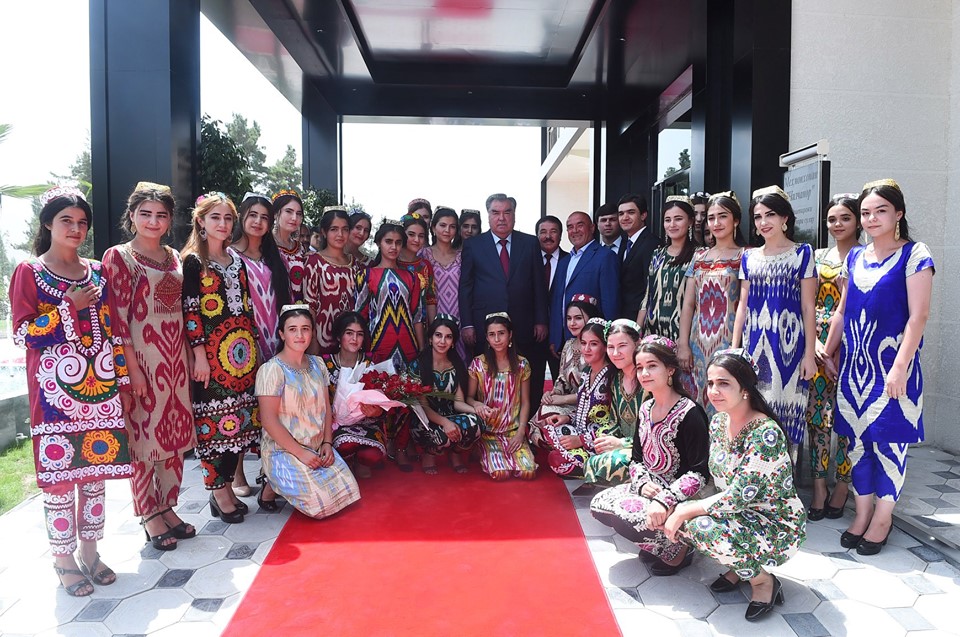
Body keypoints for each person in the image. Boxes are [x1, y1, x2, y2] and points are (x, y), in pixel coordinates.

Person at [11, 185, 133, 596]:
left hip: (101, 392)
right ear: (48, 223)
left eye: (82, 222)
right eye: (67, 220)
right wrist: (69, 308)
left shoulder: (96, 271)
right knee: (61, 480)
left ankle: (90, 551)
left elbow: (112, 331)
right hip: (53, 398)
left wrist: (122, 382)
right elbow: (23, 333)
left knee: (95, 477)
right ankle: (62, 559)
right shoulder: (29, 272)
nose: (76, 229)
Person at [824, 179, 934, 556]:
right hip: (854, 371)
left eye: (880, 211)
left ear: (898, 213)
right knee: (856, 445)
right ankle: (862, 514)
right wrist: (828, 351)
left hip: (893, 370)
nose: (871, 218)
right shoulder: (855, 257)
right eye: (866, 212)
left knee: (889, 444)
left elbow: (918, 317)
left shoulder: (915, 255)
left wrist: (900, 367)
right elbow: (842, 311)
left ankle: (883, 519)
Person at [663, 349, 805, 622]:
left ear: (745, 389)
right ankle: (741, 566)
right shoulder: (719, 422)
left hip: (776, 524)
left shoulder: (765, 433)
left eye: (724, 383)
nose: (713, 391)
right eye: (711, 383)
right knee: (683, 518)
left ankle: (762, 581)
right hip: (739, 513)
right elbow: (716, 480)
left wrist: (687, 509)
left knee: (700, 526)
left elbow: (739, 496)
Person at [102, 182, 195, 551]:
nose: (153, 221)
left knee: (173, 434)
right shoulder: (119, 257)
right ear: (132, 216)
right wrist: (131, 370)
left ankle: (168, 505)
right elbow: (118, 318)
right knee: (143, 437)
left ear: (170, 220)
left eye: (161, 215)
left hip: (175, 359)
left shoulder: (175, 257)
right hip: (142, 358)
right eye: (145, 214)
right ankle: (148, 512)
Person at [589, 335, 709, 575]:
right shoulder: (646, 408)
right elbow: (637, 459)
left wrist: (665, 499)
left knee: (629, 514)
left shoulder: (690, 413)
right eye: (640, 367)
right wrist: (643, 484)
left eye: (652, 366)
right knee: (600, 505)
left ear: (670, 369)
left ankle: (679, 548)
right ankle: (661, 544)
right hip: (650, 487)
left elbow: (700, 473)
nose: (644, 373)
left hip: (680, 498)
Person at [181, 192, 261, 524]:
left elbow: (247, 307)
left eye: (228, 218)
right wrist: (199, 355)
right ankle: (217, 491)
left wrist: (254, 351)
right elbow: (191, 312)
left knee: (239, 423)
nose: (223, 224)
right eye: (215, 217)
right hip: (212, 358)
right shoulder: (193, 262)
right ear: (200, 221)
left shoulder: (237, 260)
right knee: (212, 426)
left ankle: (226, 485)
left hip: (243, 355)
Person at [255, 305, 361, 519]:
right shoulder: (271, 369)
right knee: (321, 505)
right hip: (284, 449)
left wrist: (327, 443)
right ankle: (271, 482)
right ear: (282, 334)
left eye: (305, 329)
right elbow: (268, 420)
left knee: (348, 492)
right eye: (292, 329)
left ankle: (281, 483)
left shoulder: (317, 364)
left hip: (316, 446)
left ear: (312, 332)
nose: (300, 335)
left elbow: (327, 408)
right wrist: (301, 453)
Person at [732, 186, 816, 451]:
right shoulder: (748, 257)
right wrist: (734, 350)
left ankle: (784, 474)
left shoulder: (803, 253)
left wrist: (810, 355)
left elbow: (808, 307)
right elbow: (742, 306)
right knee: (754, 410)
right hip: (753, 347)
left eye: (770, 214)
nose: (763, 222)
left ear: (784, 218)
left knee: (786, 414)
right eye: (758, 217)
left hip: (789, 349)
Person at [459, 193, 549, 409]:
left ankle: (527, 421)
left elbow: (539, 284)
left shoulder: (530, 243)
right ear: (488, 215)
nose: (501, 218)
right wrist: (468, 324)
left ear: (514, 215)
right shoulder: (474, 245)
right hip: (484, 326)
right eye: (495, 212)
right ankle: (487, 419)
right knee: (487, 379)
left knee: (525, 377)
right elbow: (466, 287)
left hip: (523, 324)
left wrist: (541, 319)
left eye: (507, 212)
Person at [232, 193, 292, 499]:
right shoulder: (229, 255)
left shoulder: (273, 257)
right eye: (252, 215)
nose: (258, 222)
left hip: (273, 340)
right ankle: (237, 472)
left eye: (264, 217)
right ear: (242, 217)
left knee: (272, 407)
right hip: (241, 344)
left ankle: (270, 472)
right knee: (242, 407)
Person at [805, 194, 859, 521]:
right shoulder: (816, 256)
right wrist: (813, 343)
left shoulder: (865, 256)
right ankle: (818, 487)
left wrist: (835, 348)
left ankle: (842, 485)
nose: (837, 224)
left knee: (846, 420)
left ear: (857, 221)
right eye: (832, 219)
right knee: (817, 419)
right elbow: (806, 302)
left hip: (850, 347)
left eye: (845, 218)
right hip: (817, 346)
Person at [356, 220, 424, 470]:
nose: (393, 247)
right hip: (379, 346)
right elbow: (360, 314)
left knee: (406, 398)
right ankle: (382, 446)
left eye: (398, 242)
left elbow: (417, 316)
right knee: (381, 397)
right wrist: (362, 349)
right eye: (388, 242)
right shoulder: (367, 275)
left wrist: (421, 350)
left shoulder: (413, 278)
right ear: (378, 243)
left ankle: (401, 447)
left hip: (407, 347)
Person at [677, 192, 745, 412]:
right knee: (697, 398)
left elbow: (745, 303)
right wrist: (683, 343)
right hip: (697, 342)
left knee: (726, 397)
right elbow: (689, 304)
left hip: (728, 339)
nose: (716, 223)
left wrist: (736, 347)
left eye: (722, 216)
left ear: (736, 220)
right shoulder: (699, 257)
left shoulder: (745, 255)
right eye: (711, 217)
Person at [467, 313, 537, 480]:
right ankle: (481, 449)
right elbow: (468, 398)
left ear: (510, 334)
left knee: (528, 472)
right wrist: (477, 405)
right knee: (500, 474)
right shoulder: (478, 364)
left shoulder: (522, 364)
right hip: (487, 431)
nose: (497, 339)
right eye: (492, 334)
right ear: (486, 338)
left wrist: (521, 432)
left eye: (501, 333)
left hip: (513, 431)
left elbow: (526, 402)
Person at [409, 315, 482, 474]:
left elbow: (458, 403)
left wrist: (478, 410)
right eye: (438, 335)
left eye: (448, 337)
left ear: (453, 342)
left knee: (478, 423)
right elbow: (423, 408)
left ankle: (456, 453)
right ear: (430, 339)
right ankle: (429, 454)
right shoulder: (418, 365)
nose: (442, 341)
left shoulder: (456, 365)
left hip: (451, 416)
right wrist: (445, 423)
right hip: (425, 422)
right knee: (440, 435)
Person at [640, 197, 697, 397]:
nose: (672, 224)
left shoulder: (699, 255)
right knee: (655, 389)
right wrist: (637, 332)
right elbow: (648, 295)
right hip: (654, 332)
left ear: (690, 221)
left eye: (678, 219)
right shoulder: (657, 253)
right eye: (667, 219)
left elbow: (693, 302)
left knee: (681, 389)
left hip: (682, 334)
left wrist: (684, 343)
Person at [541, 319, 614, 477]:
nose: (586, 349)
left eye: (593, 344)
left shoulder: (612, 378)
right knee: (549, 426)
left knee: (558, 461)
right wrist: (567, 418)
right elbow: (585, 408)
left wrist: (581, 440)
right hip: (580, 432)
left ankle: (593, 466)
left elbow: (615, 425)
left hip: (600, 441)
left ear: (605, 346)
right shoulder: (587, 372)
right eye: (583, 343)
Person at [527, 295, 599, 448]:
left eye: (578, 318)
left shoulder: (596, 348)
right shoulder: (568, 345)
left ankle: (567, 446)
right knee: (544, 412)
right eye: (569, 318)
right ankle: (555, 445)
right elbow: (562, 380)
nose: (572, 323)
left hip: (590, 409)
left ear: (590, 318)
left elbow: (593, 394)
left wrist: (562, 399)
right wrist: (552, 394)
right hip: (568, 404)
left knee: (548, 419)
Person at [323, 312, 386, 480]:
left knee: (372, 455)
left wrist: (377, 411)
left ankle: (360, 462)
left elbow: (384, 400)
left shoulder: (371, 362)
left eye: (359, 334)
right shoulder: (325, 364)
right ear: (339, 336)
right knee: (345, 445)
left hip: (368, 423)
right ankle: (346, 461)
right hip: (336, 426)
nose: (354, 339)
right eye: (349, 333)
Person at [549, 210, 620, 354]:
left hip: (592, 343)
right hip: (563, 344)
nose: (575, 230)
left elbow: (611, 303)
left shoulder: (605, 256)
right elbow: (557, 301)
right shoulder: (564, 261)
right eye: (570, 227)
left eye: (580, 225)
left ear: (592, 228)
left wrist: (608, 340)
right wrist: (554, 338)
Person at [583, 320, 645, 485]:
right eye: (611, 347)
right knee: (593, 458)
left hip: (647, 450)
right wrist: (604, 437)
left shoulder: (647, 380)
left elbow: (654, 432)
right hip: (622, 446)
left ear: (638, 343)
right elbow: (613, 420)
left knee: (611, 462)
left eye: (622, 346)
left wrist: (621, 443)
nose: (616, 353)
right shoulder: (616, 379)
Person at [304, 206, 361, 355]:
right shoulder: (314, 261)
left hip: (351, 340)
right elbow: (310, 306)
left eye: (345, 229)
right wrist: (312, 340)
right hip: (322, 338)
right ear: (324, 232)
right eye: (334, 229)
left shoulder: (355, 264)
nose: (340, 234)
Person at [422, 207, 465, 358]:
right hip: (432, 316)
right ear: (433, 228)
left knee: (459, 361)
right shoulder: (423, 255)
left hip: (459, 316)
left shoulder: (463, 256)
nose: (447, 230)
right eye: (443, 225)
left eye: (452, 226)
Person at [618, 194, 661, 322]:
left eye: (631, 212)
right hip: (624, 317)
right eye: (621, 214)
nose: (625, 217)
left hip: (640, 320)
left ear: (643, 215)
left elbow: (650, 288)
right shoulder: (624, 243)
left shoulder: (652, 244)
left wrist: (640, 323)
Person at [398, 212, 438, 325]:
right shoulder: (392, 263)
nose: (416, 240)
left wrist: (433, 328)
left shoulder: (425, 266)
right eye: (411, 234)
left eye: (421, 236)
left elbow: (430, 300)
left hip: (421, 327)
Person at [272, 190, 308, 302]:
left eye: (298, 214)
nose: (294, 218)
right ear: (276, 214)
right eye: (289, 211)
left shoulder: (300, 248)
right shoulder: (265, 245)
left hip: (298, 308)